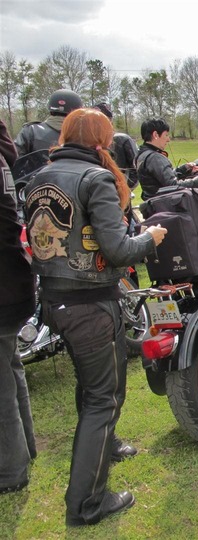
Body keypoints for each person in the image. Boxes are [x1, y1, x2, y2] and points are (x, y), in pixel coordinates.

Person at [23, 108, 167, 526]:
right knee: (103, 397)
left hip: (55, 300)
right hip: (90, 303)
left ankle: (109, 443)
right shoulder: (96, 178)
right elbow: (119, 250)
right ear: (101, 142)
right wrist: (150, 237)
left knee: (92, 388)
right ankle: (87, 503)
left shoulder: (39, 177)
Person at [0, 118, 36, 495]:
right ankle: (25, 447)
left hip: (4, 281)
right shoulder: (4, 155)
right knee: (11, 367)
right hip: (14, 276)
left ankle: (10, 471)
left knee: (1, 384)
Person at [135, 117, 198, 200]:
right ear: (155, 135)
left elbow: (161, 181)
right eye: (166, 135)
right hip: (167, 206)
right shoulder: (154, 157)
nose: (168, 139)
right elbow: (173, 186)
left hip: (155, 205)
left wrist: (183, 169)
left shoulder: (142, 155)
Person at [14, 89, 83, 157]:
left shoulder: (31, 131)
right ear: (78, 112)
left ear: (50, 109)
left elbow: (15, 158)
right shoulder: (86, 134)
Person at [93, 102, 140, 188]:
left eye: (103, 119)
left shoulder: (122, 140)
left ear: (110, 120)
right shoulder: (86, 141)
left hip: (118, 193)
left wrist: (123, 190)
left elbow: (136, 170)